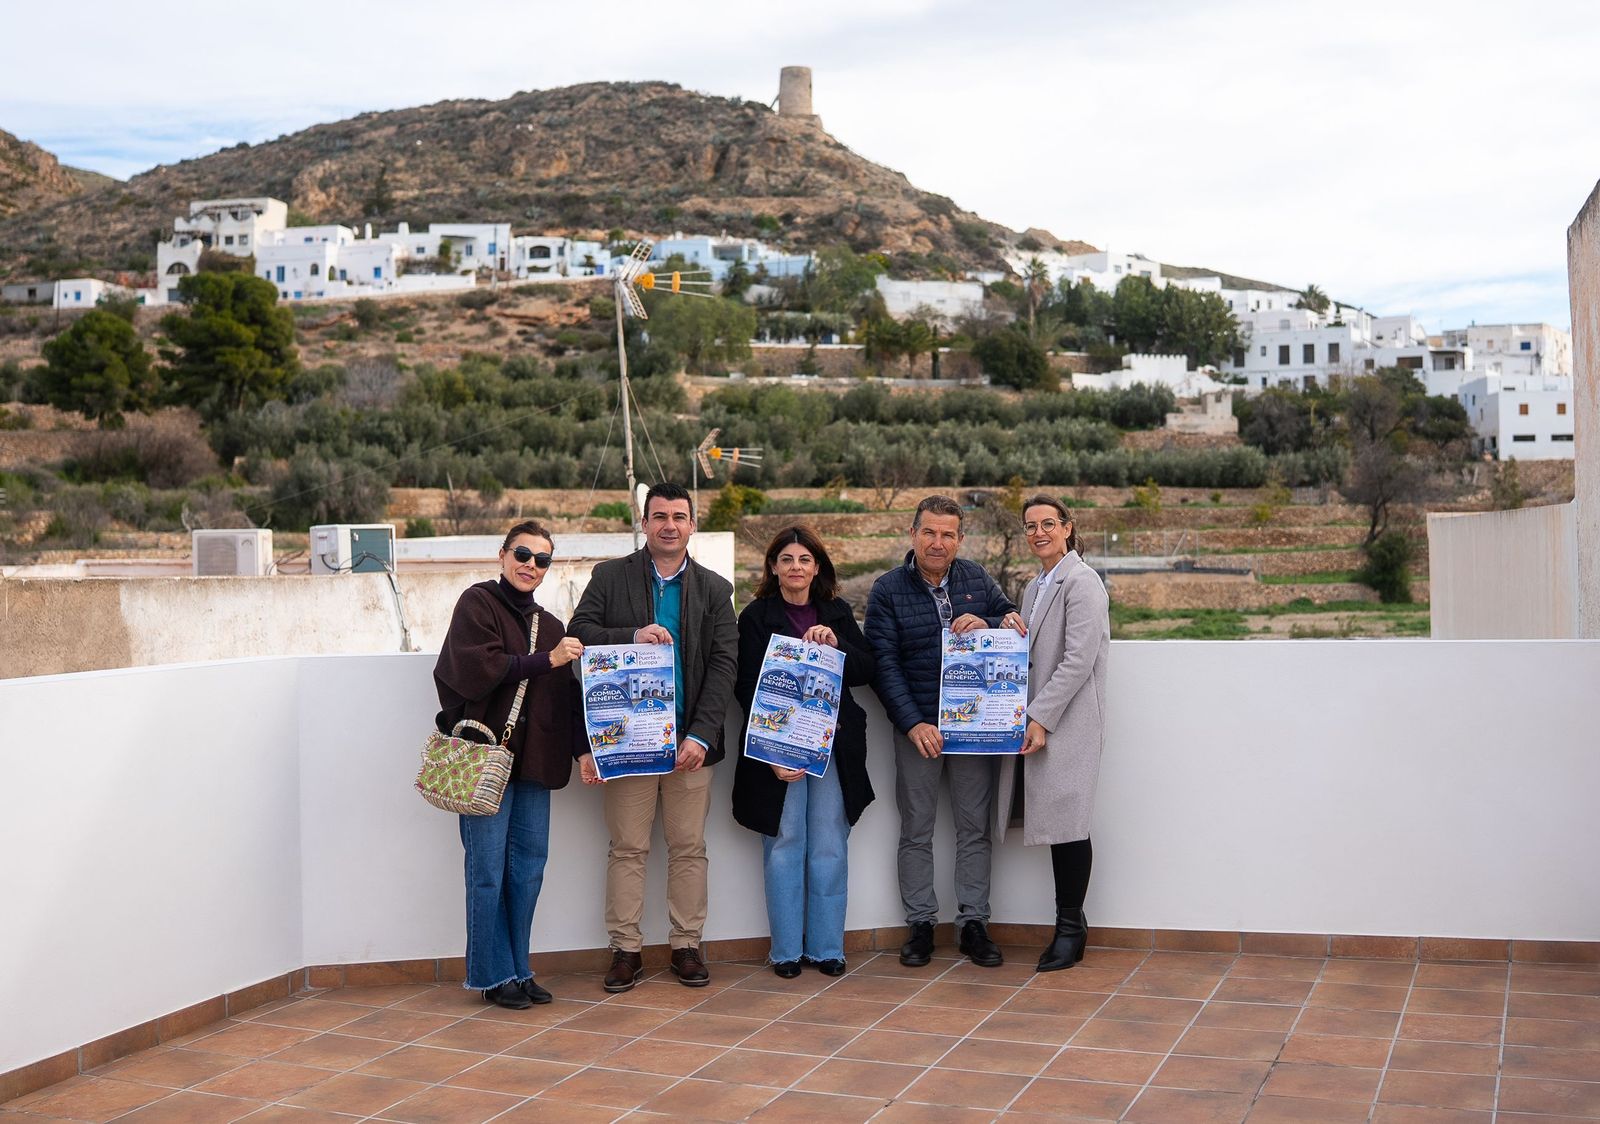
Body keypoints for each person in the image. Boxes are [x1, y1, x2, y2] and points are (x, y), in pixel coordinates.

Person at [568, 482, 738, 992]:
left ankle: (686, 946)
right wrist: (632, 635)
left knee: (688, 848)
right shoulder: (609, 576)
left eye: (679, 516)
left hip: (690, 746)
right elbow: (579, 634)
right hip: (628, 743)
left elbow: (725, 665)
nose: (669, 524)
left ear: (692, 525)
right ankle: (626, 951)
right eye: (659, 516)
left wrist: (703, 735)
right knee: (627, 849)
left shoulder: (715, 588)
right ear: (644, 524)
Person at [433, 521, 586, 1009]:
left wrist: (584, 750)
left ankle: (520, 968)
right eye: (523, 553)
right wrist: (546, 661)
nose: (531, 565)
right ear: (502, 555)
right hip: (485, 765)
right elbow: (477, 670)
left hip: (534, 768)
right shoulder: (477, 604)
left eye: (542, 559)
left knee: (527, 871)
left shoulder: (553, 627)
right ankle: (492, 976)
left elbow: (568, 696)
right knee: (487, 872)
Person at [865, 494, 1023, 969]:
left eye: (948, 534)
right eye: (929, 532)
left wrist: (993, 620)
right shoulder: (887, 589)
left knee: (974, 828)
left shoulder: (976, 577)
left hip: (975, 727)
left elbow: (1011, 618)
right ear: (912, 534)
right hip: (920, 728)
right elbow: (881, 663)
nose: (938, 542)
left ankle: (974, 923)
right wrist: (912, 723)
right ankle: (920, 925)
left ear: (960, 538)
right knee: (917, 828)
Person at [732, 526, 877, 978]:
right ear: (773, 567)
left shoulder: (835, 612)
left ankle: (828, 948)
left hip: (832, 746)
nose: (797, 568)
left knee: (830, 845)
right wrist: (773, 751)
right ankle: (787, 952)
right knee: (784, 844)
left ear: (818, 567)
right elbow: (744, 688)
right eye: (788, 560)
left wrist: (838, 647)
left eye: (805, 560)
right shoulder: (755, 617)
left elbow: (866, 667)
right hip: (778, 751)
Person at [994, 495, 1109, 972]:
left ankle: (1069, 928)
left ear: (1067, 527)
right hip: (1042, 719)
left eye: (1047, 524)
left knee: (1068, 825)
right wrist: (1010, 627)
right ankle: (1070, 923)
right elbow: (1036, 647)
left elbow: (1078, 659)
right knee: (1060, 823)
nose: (1038, 532)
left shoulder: (1082, 582)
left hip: (1068, 721)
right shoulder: (1035, 587)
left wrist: (1040, 716)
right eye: (1030, 526)